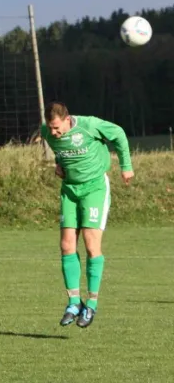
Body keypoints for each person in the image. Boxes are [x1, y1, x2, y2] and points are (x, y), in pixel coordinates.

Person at [40, 101, 134, 328]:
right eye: (50, 128)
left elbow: (119, 134)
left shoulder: (90, 125)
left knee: (91, 245)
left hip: (94, 188)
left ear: (67, 119)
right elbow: (61, 151)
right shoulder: (48, 132)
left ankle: (91, 304)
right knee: (66, 245)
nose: (53, 132)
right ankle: (73, 302)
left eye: (56, 127)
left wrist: (126, 165)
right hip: (69, 190)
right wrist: (58, 164)